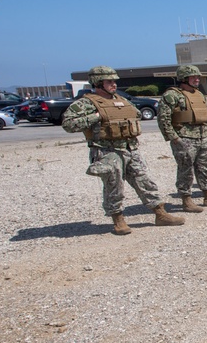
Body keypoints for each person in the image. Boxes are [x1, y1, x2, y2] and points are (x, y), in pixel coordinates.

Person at [61, 66, 185, 234]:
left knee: (145, 181)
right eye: (109, 81)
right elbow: (68, 124)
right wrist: (96, 117)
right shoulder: (86, 103)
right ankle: (118, 220)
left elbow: (136, 114)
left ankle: (160, 214)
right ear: (98, 83)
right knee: (114, 186)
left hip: (130, 148)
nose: (113, 84)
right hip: (107, 151)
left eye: (114, 81)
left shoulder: (120, 99)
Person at [156, 65, 207, 213]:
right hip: (185, 137)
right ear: (184, 79)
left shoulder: (199, 94)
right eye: (193, 77)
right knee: (186, 169)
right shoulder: (172, 95)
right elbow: (163, 119)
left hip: (202, 136)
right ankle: (186, 199)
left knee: (204, 167)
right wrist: (174, 138)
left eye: (198, 77)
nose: (197, 79)